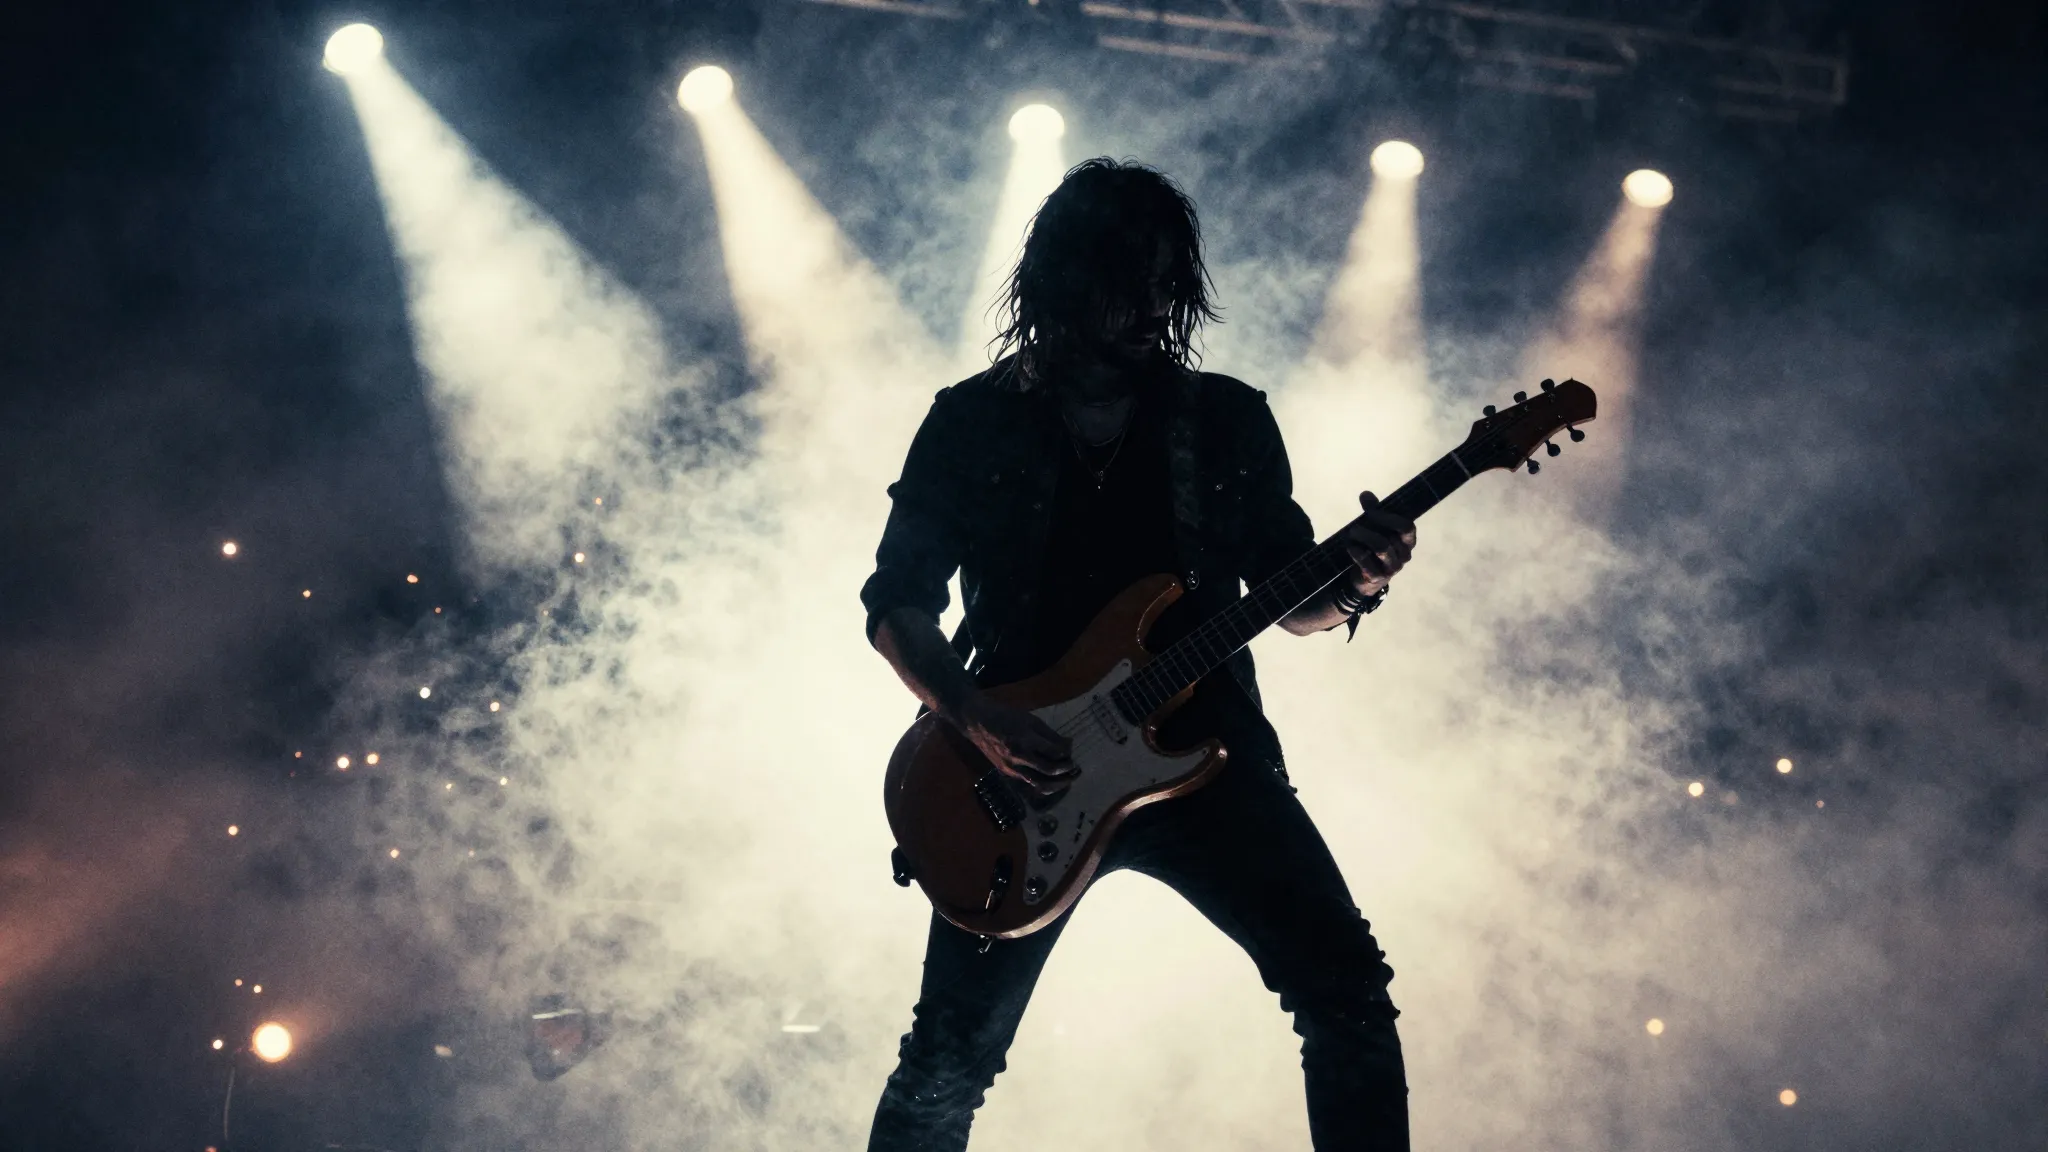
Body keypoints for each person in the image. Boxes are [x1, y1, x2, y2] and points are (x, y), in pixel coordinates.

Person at [859, 158, 1418, 1151]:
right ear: (1064, 279)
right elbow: (895, 604)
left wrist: (1358, 581)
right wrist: (976, 719)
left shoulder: (1223, 419)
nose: (1155, 304)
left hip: (1208, 760)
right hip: (1020, 774)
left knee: (1348, 995)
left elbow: (1292, 599)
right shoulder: (973, 420)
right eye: (1130, 279)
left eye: (1167, 281)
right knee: (947, 1061)